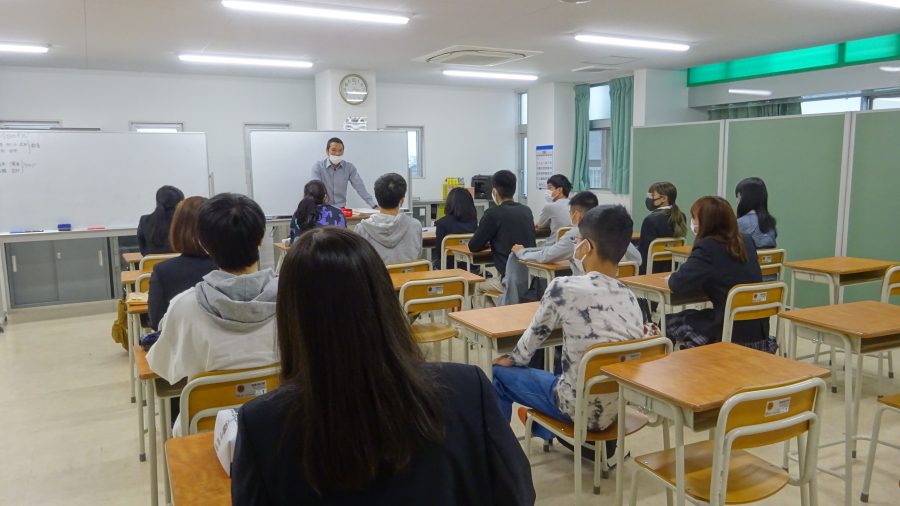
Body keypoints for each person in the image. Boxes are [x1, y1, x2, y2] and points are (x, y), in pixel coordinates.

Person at [230, 228, 535, 505]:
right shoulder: (467, 389)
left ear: (290, 317)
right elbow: (518, 493)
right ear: (382, 297)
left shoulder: (262, 425)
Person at [492, 206, 649, 447]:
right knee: (565, 369)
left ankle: (498, 454)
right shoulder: (629, 296)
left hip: (574, 406)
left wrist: (510, 359)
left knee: (499, 374)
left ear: (586, 247)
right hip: (615, 407)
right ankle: (542, 428)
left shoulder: (563, 287)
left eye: (576, 240)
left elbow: (530, 343)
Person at [147, 193, 279, 404]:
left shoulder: (184, 306)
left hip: (208, 429)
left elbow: (162, 368)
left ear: (204, 244)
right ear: (261, 238)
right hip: (278, 423)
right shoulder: (295, 300)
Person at [666, 196, 773, 352]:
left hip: (728, 331)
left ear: (706, 221)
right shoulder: (747, 241)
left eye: (694, 218)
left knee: (668, 321)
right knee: (697, 315)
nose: (693, 222)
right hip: (758, 330)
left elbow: (677, 283)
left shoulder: (707, 247)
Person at [502, 192, 643, 306]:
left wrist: (521, 252)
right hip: (619, 294)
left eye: (570, 213)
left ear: (576, 215)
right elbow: (638, 260)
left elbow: (547, 255)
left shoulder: (578, 233)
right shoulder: (613, 231)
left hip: (584, 296)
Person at [147, 196, 217, 331]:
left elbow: (156, 322)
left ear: (177, 229)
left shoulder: (163, 271)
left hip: (180, 348)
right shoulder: (229, 267)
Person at [469, 170, 536, 306]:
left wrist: (489, 243)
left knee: (477, 287)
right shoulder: (526, 210)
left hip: (510, 279)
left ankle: (488, 324)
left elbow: (474, 246)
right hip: (531, 277)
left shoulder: (492, 213)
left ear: (494, 192)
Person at [354, 173, 422, 264]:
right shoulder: (415, 226)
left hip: (376, 278)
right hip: (408, 277)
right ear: (401, 201)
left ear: (377, 199)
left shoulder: (361, 229)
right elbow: (418, 256)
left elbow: (359, 263)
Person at [310, 137, 377, 209]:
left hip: (341, 209)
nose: (337, 153)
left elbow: (360, 187)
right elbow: (316, 189)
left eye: (340, 150)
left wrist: (373, 205)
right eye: (333, 150)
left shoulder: (349, 167)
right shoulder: (318, 166)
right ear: (327, 151)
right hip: (322, 208)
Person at [638, 182, 687, 274]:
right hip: (671, 268)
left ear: (664, 198)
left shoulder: (650, 220)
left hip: (650, 270)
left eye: (652, 195)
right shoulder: (681, 216)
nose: (649, 199)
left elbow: (643, 254)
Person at [432, 187, 477, 269]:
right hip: (471, 265)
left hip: (448, 266)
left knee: (433, 263)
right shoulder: (473, 222)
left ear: (449, 202)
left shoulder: (442, 223)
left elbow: (440, 253)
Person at [137, 185, 184, 255]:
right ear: (179, 204)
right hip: (181, 265)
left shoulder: (144, 221)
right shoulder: (185, 222)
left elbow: (143, 251)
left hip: (151, 265)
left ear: (157, 202)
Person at [735, 177, 777, 249]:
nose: (737, 201)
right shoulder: (770, 223)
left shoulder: (738, 223)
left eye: (738, 197)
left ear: (744, 198)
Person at [537, 174, 573, 244]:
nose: (547, 191)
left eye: (550, 188)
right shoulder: (574, 205)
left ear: (559, 190)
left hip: (554, 245)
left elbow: (540, 225)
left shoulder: (550, 206)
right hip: (571, 247)